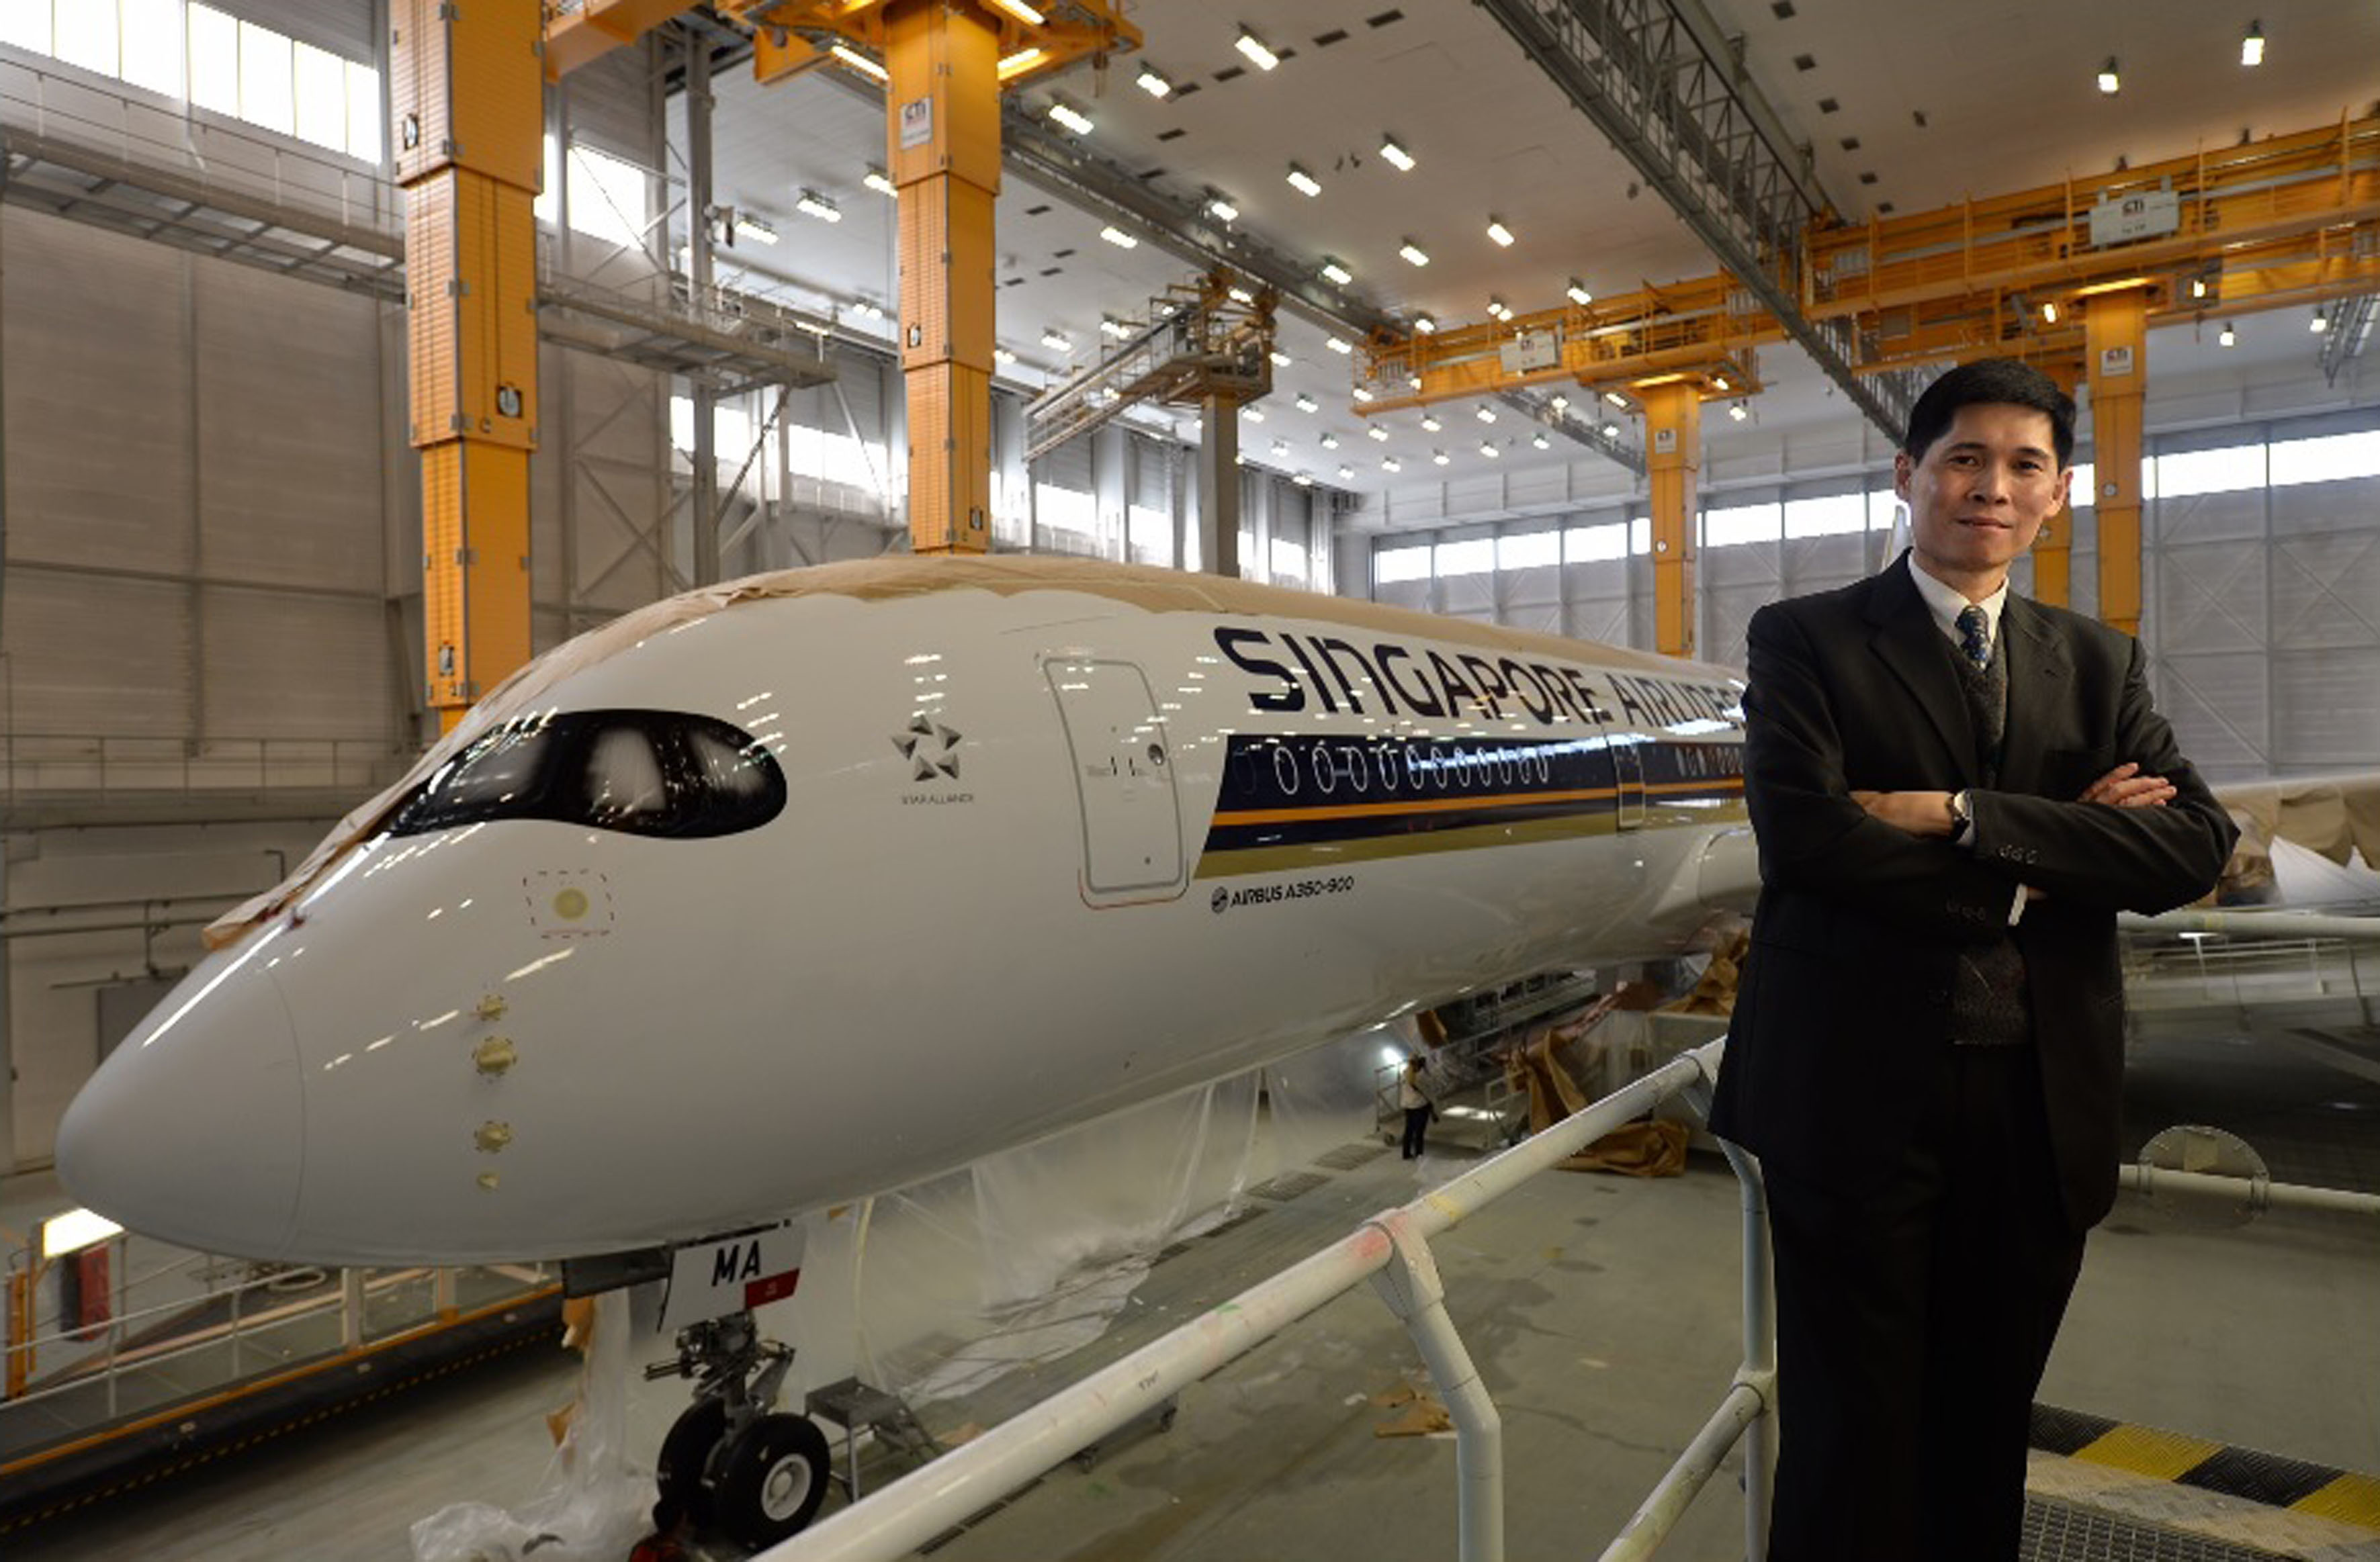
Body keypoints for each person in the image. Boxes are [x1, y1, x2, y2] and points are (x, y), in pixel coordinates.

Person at [1707, 358, 2237, 1562]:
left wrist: (1956, 814)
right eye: (1962, 457)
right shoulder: (1806, 639)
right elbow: (1805, 841)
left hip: (2033, 1104)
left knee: (1984, 1421)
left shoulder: (2098, 665)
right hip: (1852, 1099)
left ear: (2055, 495)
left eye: (2022, 465)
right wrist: (2056, 861)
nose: (1988, 486)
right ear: (1908, 475)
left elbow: (2191, 845)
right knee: (1849, 1431)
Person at [627, 1496, 690, 1562]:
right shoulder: (676, 1557)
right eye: (685, 1520)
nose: (686, 1525)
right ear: (679, 1525)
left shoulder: (641, 1546)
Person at [1397, 1056, 1434, 1159]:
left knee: (1409, 1131)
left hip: (1408, 1107)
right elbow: (1429, 1087)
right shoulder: (1421, 1077)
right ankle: (1419, 1154)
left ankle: (1406, 1153)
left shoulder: (1404, 1074)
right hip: (1420, 1106)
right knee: (1419, 1132)